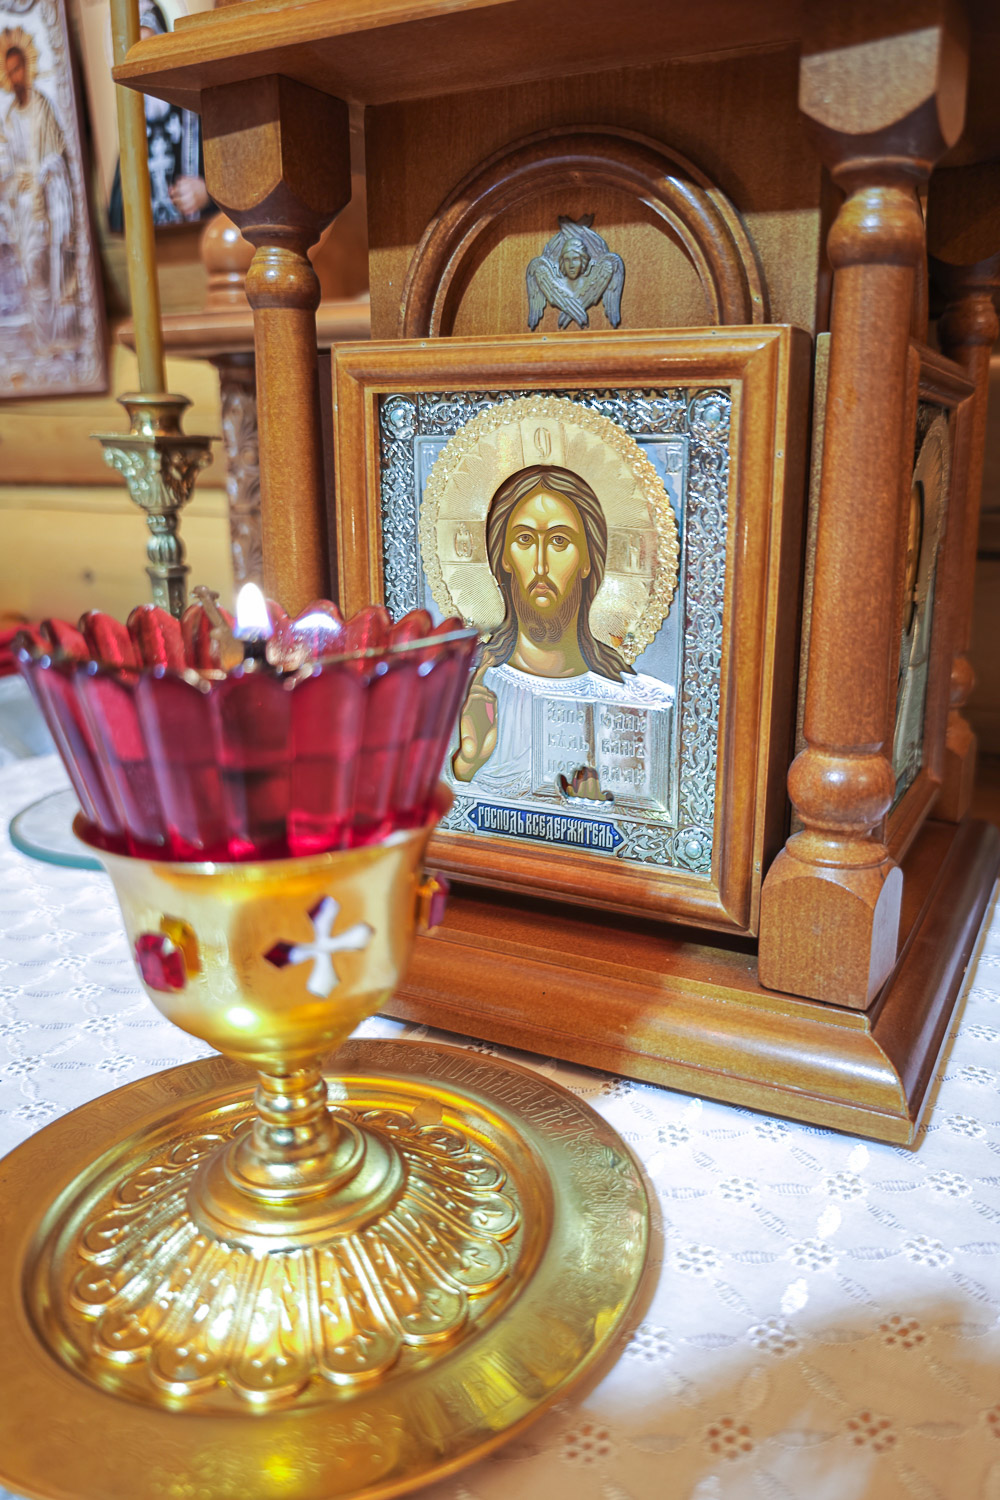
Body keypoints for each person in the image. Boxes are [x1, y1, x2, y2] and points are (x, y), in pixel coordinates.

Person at [452, 464, 674, 805]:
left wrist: (604, 810)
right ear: (504, 558)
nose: (540, 565)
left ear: (588, 559)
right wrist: (467, 762)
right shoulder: (459, 691)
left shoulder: (639, 704)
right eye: (525, 540)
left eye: (559, 541)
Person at [107, 1, 210, 231]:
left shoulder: (196, 109)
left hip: (199, 239)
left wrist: (207, 193)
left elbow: (235, 183)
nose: (144, 67)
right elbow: (116, 217)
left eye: (150, 50)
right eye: (135, 55)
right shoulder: (133, 125)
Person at [0, 40, 77, 347]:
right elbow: (6, 160)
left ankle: (56, 337)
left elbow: (59, 151)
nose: (15, 77)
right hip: (22, 208)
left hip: (46, 203)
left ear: (27, 67)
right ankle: (43, 339)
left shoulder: (43, 106)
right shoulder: (9, 117)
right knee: (31, 272)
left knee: (47, 268)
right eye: (10, 72)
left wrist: (45, 170)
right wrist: (12, 177)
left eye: (18, 69)